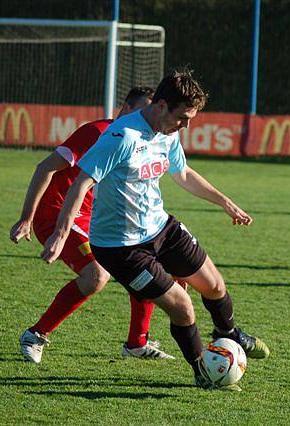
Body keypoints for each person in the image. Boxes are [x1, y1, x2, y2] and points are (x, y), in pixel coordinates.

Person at [41, 70, 269, 392]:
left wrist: (225, 203)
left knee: (214, 285)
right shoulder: (122, 137)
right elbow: (82, 182)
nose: (186, 125)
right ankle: (203, 371)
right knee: (182, 306)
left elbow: (184, 173)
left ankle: (228, 334)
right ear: (161, 105)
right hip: (121, 246)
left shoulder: (168, 132)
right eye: (183, 117)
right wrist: (61, 233)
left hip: (159, 227)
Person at [11, 87, 176, 362]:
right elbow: (45, 168)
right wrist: (26, 218)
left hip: (95, 219)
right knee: (96, 276)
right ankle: (36, 334)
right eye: (140, 110)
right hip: (57, 215)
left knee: (146, 264)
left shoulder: (143, 140)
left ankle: (136, 343)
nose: (146, 117)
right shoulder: (97, 132)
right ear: (124, 108)